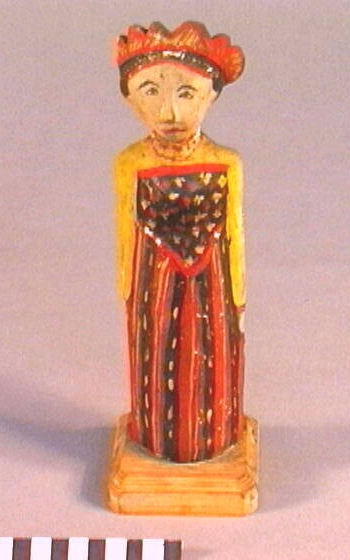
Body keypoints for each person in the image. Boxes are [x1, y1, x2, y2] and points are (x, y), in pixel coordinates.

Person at [113, 21, 246, 463]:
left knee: (212, 361)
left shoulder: (225, 163)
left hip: (213, 285)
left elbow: (234, 235)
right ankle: (154, 437)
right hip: (152, 285)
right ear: (130, 98)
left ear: (210, 95)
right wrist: (127, 291)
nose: (168, 110)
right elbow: (125, 236)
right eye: (150, 91)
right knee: (154, 360)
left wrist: (239, 297)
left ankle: (214, 437)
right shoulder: (131, 162)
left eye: (186, 93)